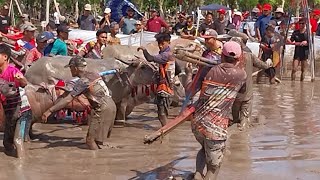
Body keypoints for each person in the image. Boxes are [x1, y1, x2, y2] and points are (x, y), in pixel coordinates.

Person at [185, 41, 246, 180]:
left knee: (204, 148)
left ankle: (198, 174)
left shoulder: (208, 70)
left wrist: (189, 74)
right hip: (216, 127)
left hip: (197, 122)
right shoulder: (241, 75)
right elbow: (241, 96)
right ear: (238, 58)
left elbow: (190, 90)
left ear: (222, 56)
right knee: (214, 167)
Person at [41, 56, 115, 150]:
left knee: (90, 141)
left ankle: (95, 162)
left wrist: (49, 111)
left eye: (70, 68)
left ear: (75, 68)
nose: (70, 71)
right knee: (98, 141)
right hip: (111, 105)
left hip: (102, 108)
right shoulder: (94, 74)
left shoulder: (83, 81)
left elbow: (68, 99)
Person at [227, 30, 271, 129]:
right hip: (246, 94)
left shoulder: (226, 59)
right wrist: (268, 63)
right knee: (244, 123)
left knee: (234, 120)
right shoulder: (249, 56)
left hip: (233, 95)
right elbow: (263, 65)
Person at [137, 33, 175, 126]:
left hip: (165, 88)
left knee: (162, 113)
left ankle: (165, 131)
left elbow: (150, 58)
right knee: (162, 112)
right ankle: (165, 130)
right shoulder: (169, 54)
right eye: (159, 43)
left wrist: (144, 50)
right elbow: (177, 69)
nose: (160, 46)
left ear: (168, 42)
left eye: (163, 43)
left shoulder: (165, 55)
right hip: (167, 86)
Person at [0, 44, 31, 158]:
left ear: (5, 57)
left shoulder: (12, 71)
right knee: (6, 143)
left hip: (22, 111)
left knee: (17, 140)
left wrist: (21, 79)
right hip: (9, 112)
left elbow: (24, 83)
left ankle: (21, 166)